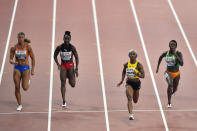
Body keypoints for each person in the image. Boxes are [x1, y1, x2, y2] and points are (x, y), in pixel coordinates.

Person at [9, 32, 35, 111]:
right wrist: (14, 62)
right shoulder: (14, 48)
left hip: (25, 68)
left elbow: (33, 58)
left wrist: (32, 70)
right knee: (17, 87)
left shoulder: (28, 47)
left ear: (24, 38)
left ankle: (28, 81)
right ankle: (20, 104)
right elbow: (10, 60)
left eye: (22, 37)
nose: (21, 39)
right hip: (17, 68)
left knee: (25, 88)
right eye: (19, 37)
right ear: (17, 38)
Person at [117, 49, 145, 120]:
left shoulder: (139, 65)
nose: (132, 55)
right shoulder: (126, 64)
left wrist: (137, 74)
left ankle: (131, 111)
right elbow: (123, 72)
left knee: (135, 101)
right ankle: (131, 114)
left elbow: (143, 76)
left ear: (136, 56)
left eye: (133, 54)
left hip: (136, 84)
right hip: (129, 83)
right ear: (129, 55)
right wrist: (122, 80)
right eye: (131, 54)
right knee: (129, 98)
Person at [54, 31, 79, 108]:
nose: (66, 40)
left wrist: (76, 68)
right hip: (63, 66)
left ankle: (70, 76)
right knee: (62, 83)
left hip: (70, 65)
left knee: (73, 84)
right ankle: (64, 101)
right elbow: (54, 56)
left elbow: (77, 58)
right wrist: (58, 64)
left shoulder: (72, 48)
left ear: (70, 39)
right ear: (63, 38)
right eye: (65, 38)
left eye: (68, 39)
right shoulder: (59, 47)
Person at [156, 40, 183, 108]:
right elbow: (160, 57)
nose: (172, 46)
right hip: (168, 72)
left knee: (174, 88)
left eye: (173, 45)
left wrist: (176, 55)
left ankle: (172, 92)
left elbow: (182, 64)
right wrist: (157, 67)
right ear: (169, 45)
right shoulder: (166, 53)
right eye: (171, 44)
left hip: (177, 73)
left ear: (176, 46)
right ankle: (169, 102)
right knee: (170, 85)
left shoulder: (178, 53)